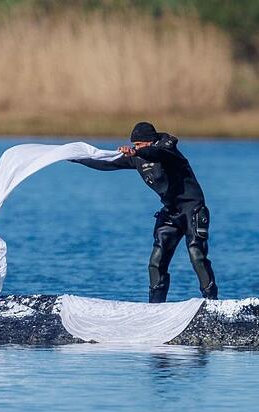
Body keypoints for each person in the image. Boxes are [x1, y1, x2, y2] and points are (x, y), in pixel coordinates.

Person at [72, 122, 218, 303]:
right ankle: (155, 307)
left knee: (197, 254)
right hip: (171, 213)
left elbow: (156, 154)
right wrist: (74, 158)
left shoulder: (168, 150)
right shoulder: (137, 156)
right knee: (156, 262)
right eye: (135, 145)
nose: (136, 148)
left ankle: (212, 302)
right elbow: (106, 164)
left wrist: (137, 152)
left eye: (139, 144)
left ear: (150, 141)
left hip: (192, 210)